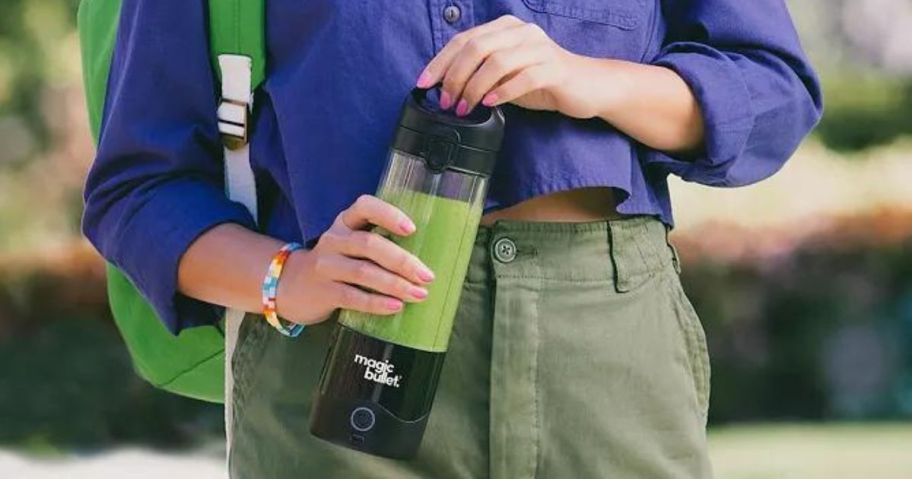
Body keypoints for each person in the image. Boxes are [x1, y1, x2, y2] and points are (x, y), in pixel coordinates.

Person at [82, 0, 822, 477]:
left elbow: (772, 86)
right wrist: (286, 277)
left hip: (604, 355)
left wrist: (590, 80)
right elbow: (138, 189)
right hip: (338, 363)